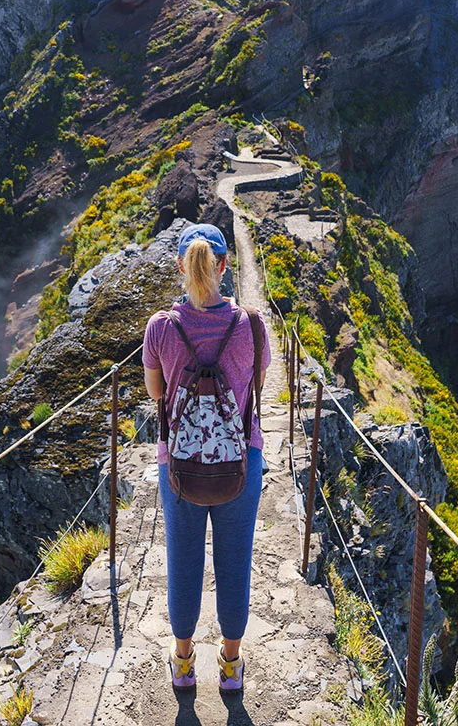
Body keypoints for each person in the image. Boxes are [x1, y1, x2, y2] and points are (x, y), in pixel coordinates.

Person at [143, 222, 271, 692]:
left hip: (179, 466)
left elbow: (155, 393)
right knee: (235, 561)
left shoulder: (161, 327)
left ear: (181, 266)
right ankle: (232, 669)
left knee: (183, 560)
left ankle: (182, 663)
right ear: (223, 266)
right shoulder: (251, 326)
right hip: (240, 463)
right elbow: (257, 386)